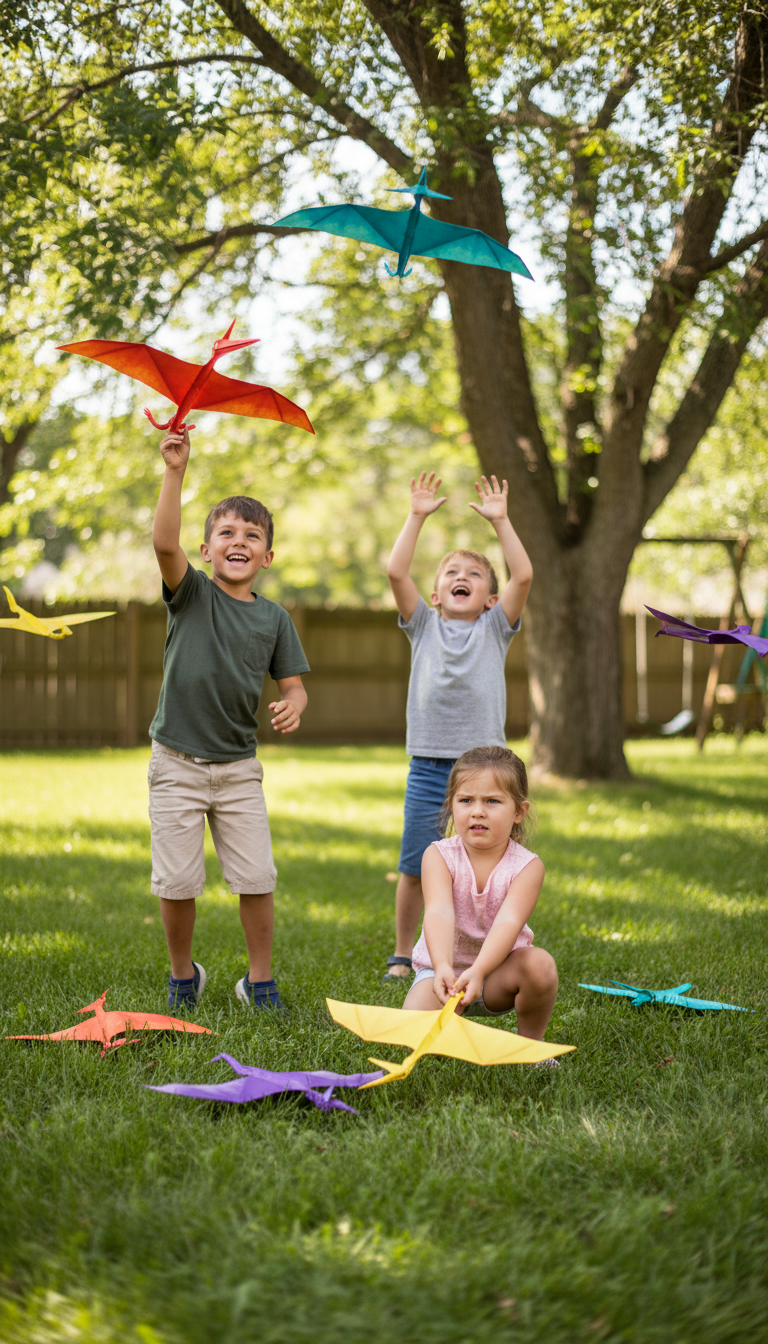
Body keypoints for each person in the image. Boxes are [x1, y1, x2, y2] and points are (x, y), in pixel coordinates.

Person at [148, 426, 309, 1012]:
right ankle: (183, 974)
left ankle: (258, 981)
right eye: (226, 533)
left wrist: (293, 703)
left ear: (267, 556)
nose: (238, 541)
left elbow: (292, 685)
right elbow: (165, 544)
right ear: (208, 548)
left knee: (257, 878)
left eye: (252, 535)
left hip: (239, 769)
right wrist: (175, 471)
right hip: (177, 764)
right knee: (177, 882)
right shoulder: (190, 593)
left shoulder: (274, 620)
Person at [383, 470, 532, 982]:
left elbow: (525, 576)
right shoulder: (422, 625)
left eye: (473, 573)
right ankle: (404, 954)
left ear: (490, 596)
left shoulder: (496, 628)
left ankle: (489, 948)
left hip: (485, 773)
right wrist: (417, 516)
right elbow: (396, 573)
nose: (460, 576)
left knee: (487, 864)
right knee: (415, 864)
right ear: (436, 593)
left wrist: (502, 522)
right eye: (451, 573)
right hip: (429, 767)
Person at [404, 745, 558, 1050]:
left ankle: (530, 1048)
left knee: (540, 965)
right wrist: (444, 968)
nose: (477, 810)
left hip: (496, 976)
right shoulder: (438, 855)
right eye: (466, 800)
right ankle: (451, 1019)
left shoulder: (527, 866)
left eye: (492, 801)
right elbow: (438, 913)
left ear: (519, 812)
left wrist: (479, 971)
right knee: (412, 1038)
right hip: (442, 973)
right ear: (451, 806)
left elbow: (509, 923)